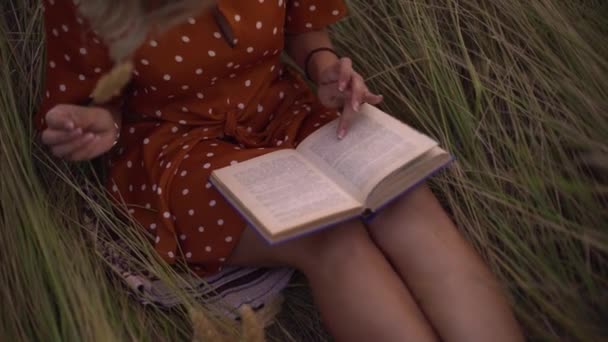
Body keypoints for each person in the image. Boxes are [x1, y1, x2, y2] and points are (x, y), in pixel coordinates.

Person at [36, 0, 523, 340]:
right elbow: (96, 101)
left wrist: (324, 66)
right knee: (330, 236)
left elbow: (302, 23)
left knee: (402, 199)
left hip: (282, 108)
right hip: (178, 149)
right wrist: (97, 125)